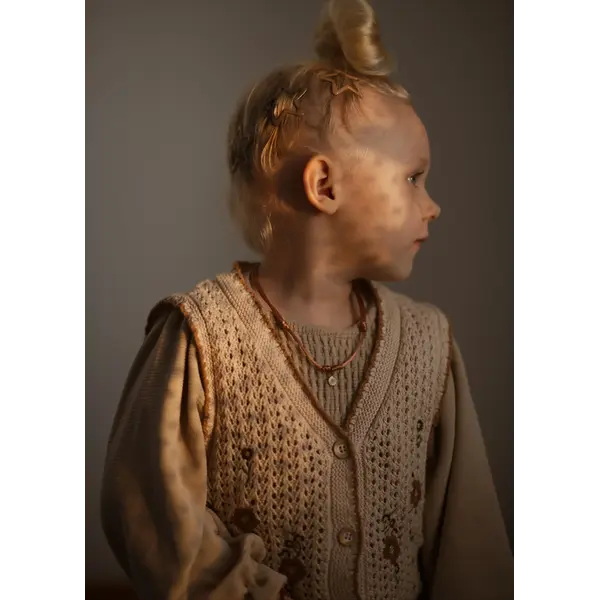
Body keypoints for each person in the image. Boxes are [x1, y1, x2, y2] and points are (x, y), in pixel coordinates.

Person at [100, 0, 517, 598]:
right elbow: (156, 520)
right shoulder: (201, 335)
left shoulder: (429, 346)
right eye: (413, 178)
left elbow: (469, 544)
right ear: (324, 185)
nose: (433, 205)